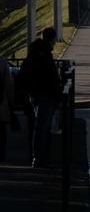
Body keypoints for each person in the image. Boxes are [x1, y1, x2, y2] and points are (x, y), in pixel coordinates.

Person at [17, 27, 60, 168]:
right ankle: (39, 158)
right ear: (52, 39)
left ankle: (38, 156)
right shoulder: (45, 54)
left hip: (34, 94)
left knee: (39, 127)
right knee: (42, 127)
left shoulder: (34, 52)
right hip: (45, 94)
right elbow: (50, 76)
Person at [0, 54, 14, 162]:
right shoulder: (3, 62)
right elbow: (8, 84)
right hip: (1, 102)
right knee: (1, 131)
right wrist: (11, 101)